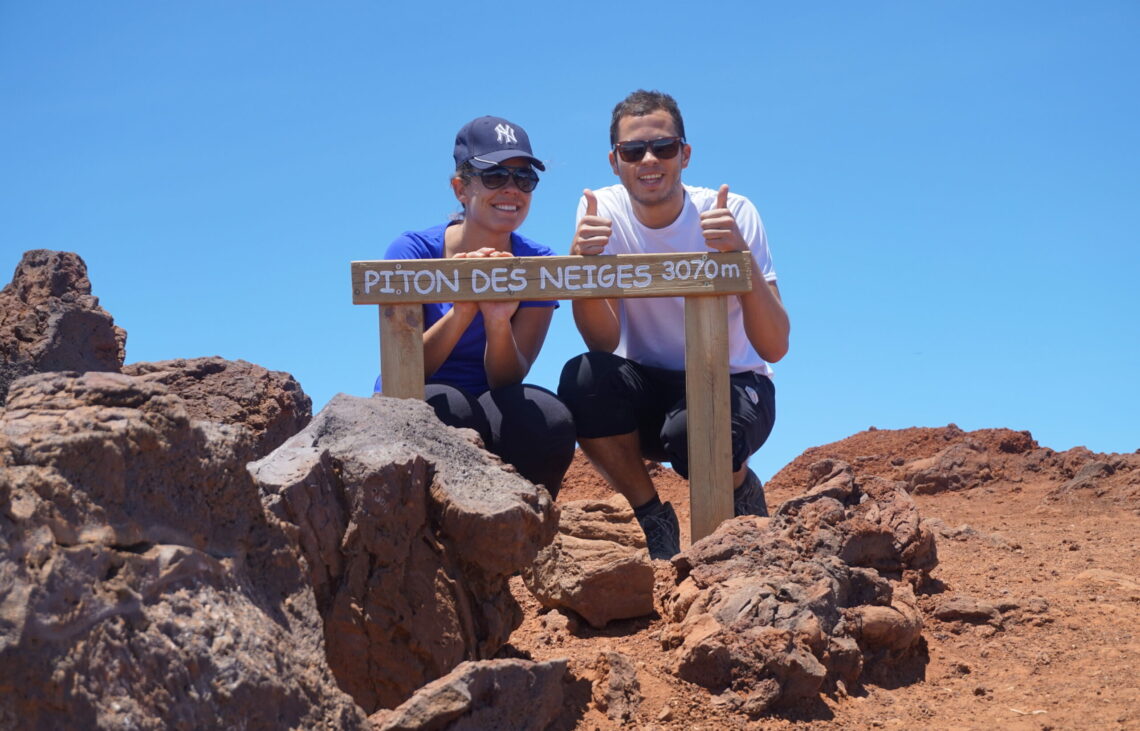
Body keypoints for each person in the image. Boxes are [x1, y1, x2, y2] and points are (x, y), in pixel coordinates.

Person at [558, 90, 790, 558]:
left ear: (684, 154)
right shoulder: (599, 214)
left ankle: (740, 488)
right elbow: (603, 341)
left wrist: (739, 259)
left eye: (663, 147)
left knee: (695, 429)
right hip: (649, 388)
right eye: (633, 151)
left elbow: (775, 345)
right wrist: (582, 263)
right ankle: (652, 518)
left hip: (736, 383)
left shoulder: (733, 212)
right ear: (614, 161)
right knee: (583, 379)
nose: (649, 160)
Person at [375, 115, 575, 497]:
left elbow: (507, 380)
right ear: (460, 189)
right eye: (495, 176)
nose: (512, 189)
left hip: (491, 402)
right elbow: (404, 371)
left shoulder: (536, 263)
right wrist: (463, 308)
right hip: (418, 398)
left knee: (546, 418)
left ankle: (524, 539)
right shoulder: (412, 253)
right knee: (448, 406)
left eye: (524, 179)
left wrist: (497, 320)